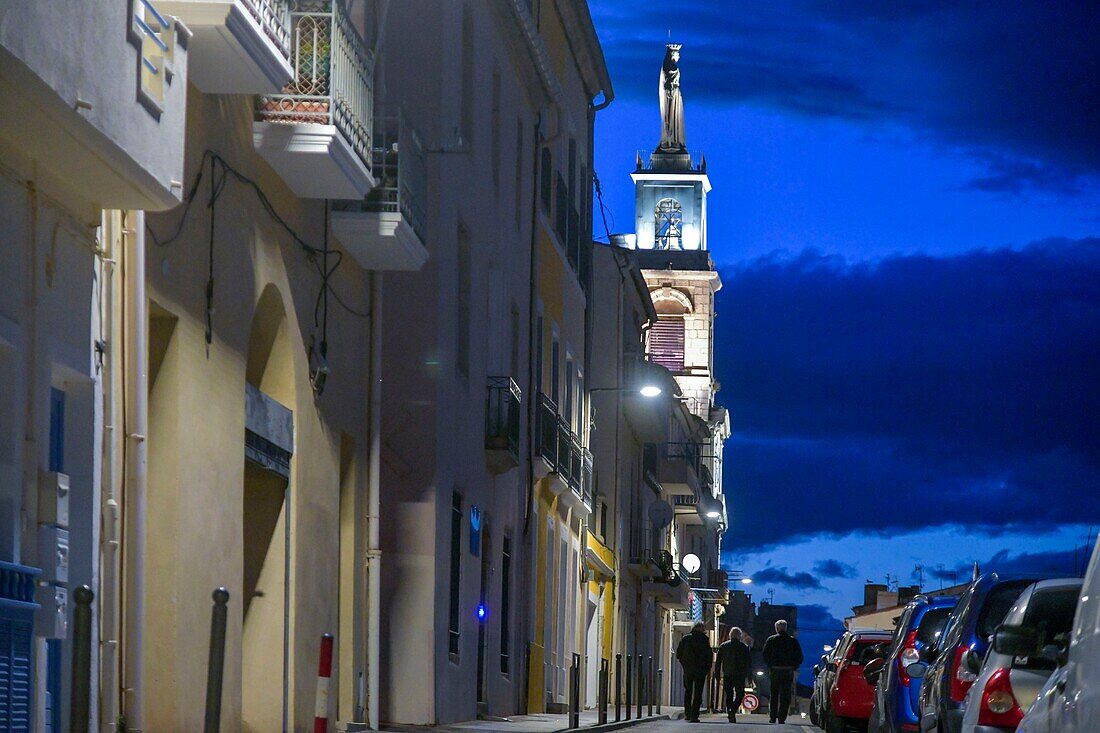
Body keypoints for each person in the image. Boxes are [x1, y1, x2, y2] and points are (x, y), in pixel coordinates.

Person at [762, 619, 803, 724]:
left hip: (775, 670)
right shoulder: (793, 641)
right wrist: (794, 667)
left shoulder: (771, 640)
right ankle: (781, 718)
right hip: (787, 671)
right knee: (785, 695)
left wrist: (769, 666)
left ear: (776, 628)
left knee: (774, 694)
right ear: (786, 628)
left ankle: (772, 717)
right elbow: (799, 657)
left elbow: (765, 655)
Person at [675, 621, 713, 722]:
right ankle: (694, 715)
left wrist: (685, 664)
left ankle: (687, 714)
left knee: (688, 692)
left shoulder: (686, 638)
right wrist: (706, 669)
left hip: (688, 670)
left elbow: (678, 654)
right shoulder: (704, 640)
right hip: (700, 671)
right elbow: (709, 656)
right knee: (698, 693)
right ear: (701, 629)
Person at [714, 627, 752, 722]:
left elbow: (718, 662)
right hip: (739, 675)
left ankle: (730, 711)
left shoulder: (723, 646)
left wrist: (717, 674)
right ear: (739, 636)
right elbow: (748, 663)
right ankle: (732, 710)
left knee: (729, 694)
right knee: (740, 695)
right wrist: (749, 677)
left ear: (730, 635)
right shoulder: (744, 647)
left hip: (728, 674)